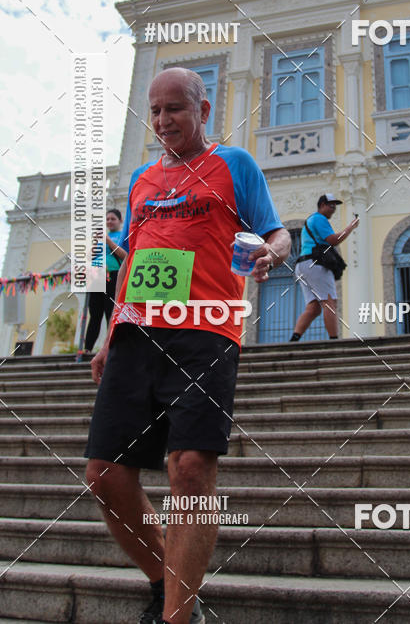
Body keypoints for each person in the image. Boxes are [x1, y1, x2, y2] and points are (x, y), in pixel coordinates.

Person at [84, 67, 290, 624]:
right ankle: (165, 583)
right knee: (104, 473)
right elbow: (134, 258)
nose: (162, 120)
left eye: (174, 108)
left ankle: (178, 616)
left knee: (192, 467)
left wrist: (271, 253)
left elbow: (277, 232)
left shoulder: (235, 164)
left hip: (206, 331)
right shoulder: (142, 180)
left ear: (202, 110)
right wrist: (108, 335)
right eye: (154, 111)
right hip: (136, 333)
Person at [290, 192, 359, 341]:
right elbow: (334, 240)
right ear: (322, 205)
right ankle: (334, 341)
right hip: (315, 264)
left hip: (302, 266)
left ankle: (294, 338)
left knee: (314, 307)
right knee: (329, 301)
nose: (333, 209)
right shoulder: (319, 219)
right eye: (331, 205)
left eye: (335, 206)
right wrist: (350, 227)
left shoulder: (311, 220)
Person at [84, 209, 126, 351]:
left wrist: (108, 241)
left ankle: (110, 348)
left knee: (110, 312)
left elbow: (125, 256)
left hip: (113, 276)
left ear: (120, 221)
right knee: (94, 314)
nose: (109, 221)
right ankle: (87, 348)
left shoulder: (122, 236)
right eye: (107, 219)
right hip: (97, 277)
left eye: (113, 219)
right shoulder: (101, 238)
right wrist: (96, 242)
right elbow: (89, 257)